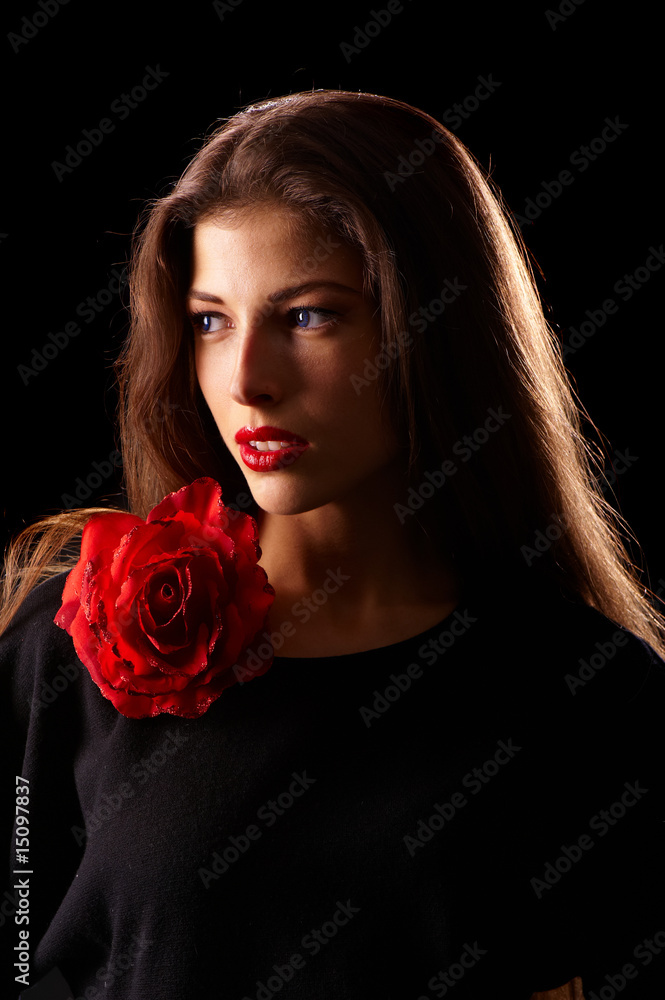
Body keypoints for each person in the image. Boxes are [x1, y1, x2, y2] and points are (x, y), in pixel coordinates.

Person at [1, 90, 663, 999]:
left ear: (433, 328)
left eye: (308, 316)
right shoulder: (75, 639)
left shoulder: (593, 695)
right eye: (210, 320)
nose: (247, 380)